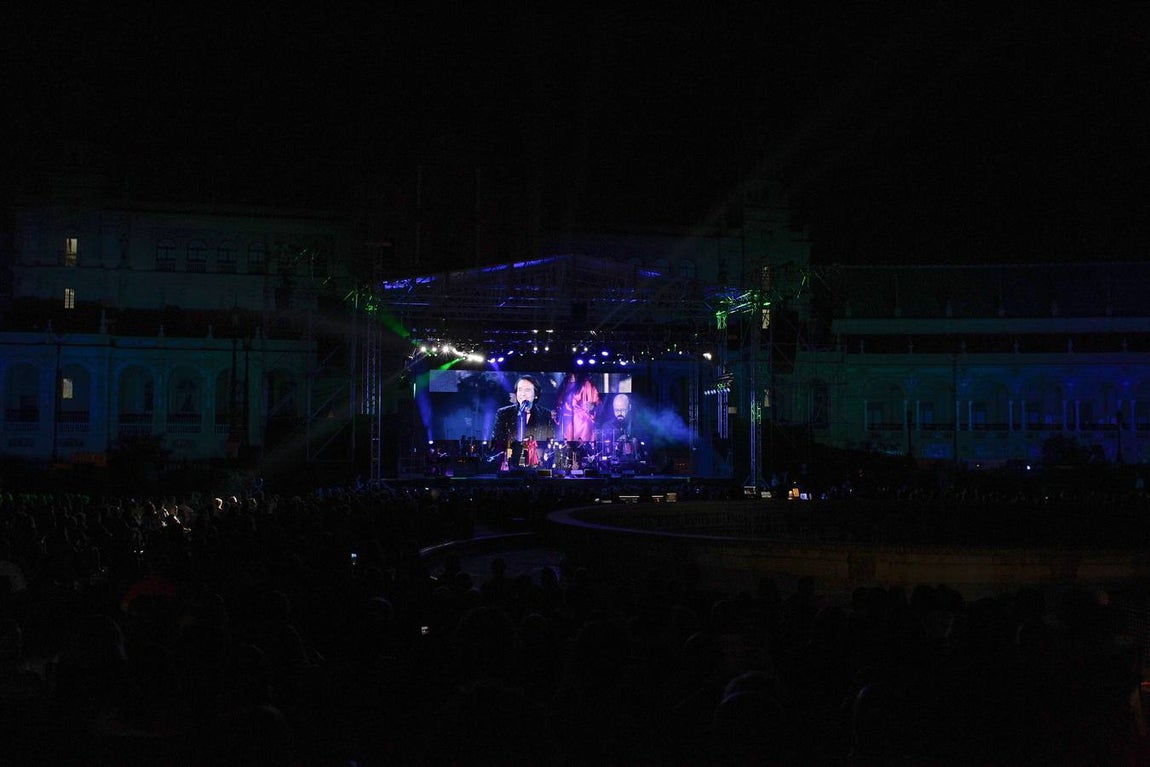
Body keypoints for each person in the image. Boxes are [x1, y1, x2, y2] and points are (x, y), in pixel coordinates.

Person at [492, 375, 555, 469]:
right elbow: (496, 441)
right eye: (520, 390)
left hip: (536, 465)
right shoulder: (503, 413)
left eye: (527, 390)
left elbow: (550, 441)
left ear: (536, 394)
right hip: (510, 464)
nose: (523, 394)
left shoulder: (546, 414)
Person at [558, 372, 601, 443]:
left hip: (582, 425)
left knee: (581, 448)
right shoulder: (564, 384)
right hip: (566, 424)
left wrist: (593, 407)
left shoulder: (586, 384)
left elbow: (597, 403)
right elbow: (560, 404)